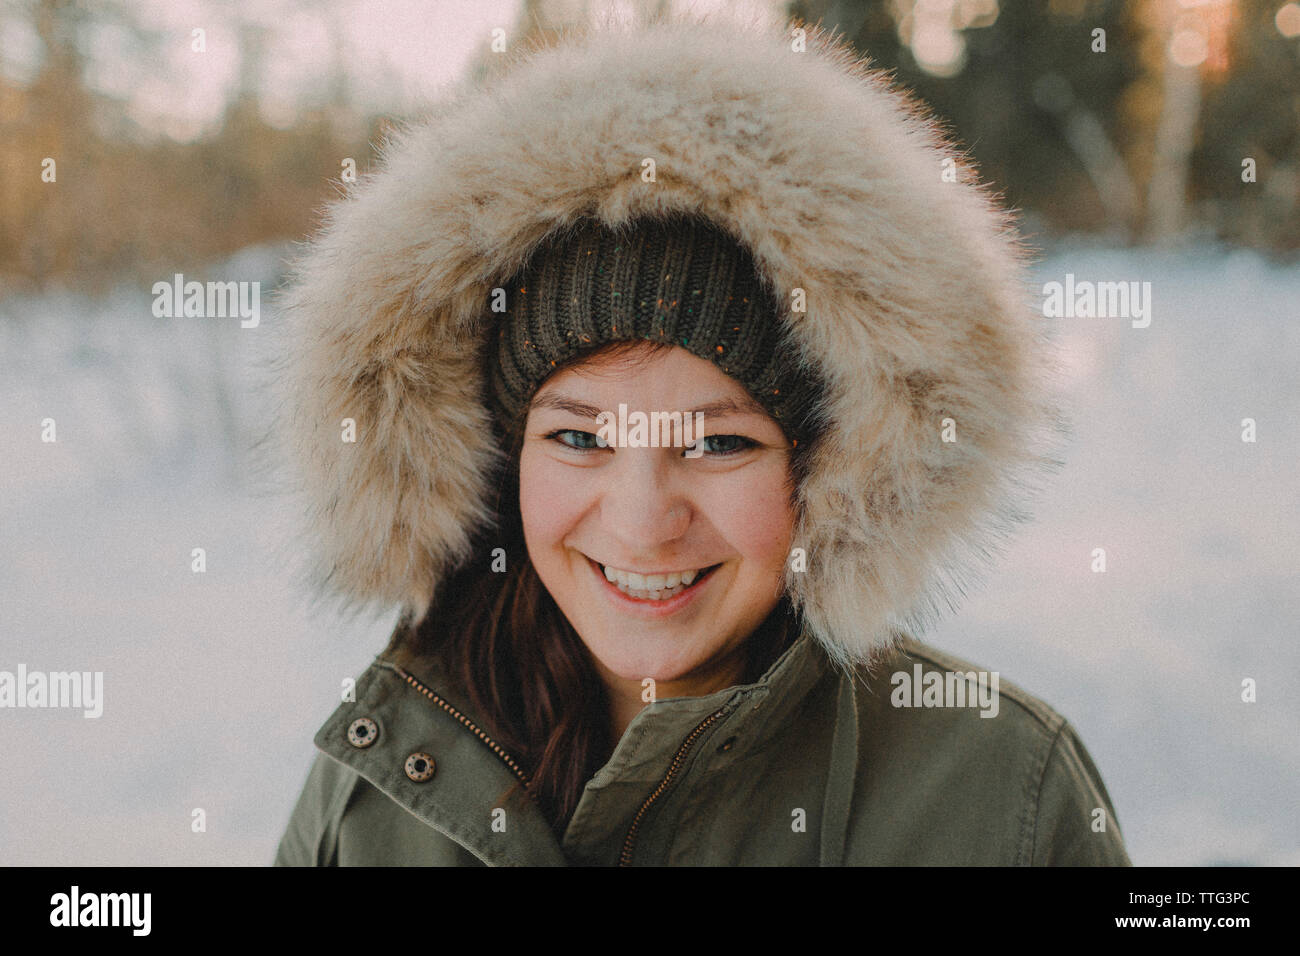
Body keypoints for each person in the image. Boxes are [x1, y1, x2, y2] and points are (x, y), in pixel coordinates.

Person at [271, 11, 1131, 866]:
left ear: (832, 466)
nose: (644, 522)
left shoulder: (1002, 801)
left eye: (719, 445)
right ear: (502, 463)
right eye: (579, 438)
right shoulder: (380, 777)